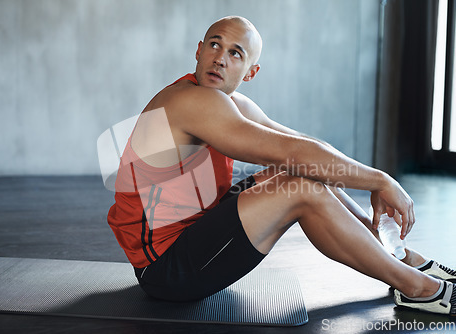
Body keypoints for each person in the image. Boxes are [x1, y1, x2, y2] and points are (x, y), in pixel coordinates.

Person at [107, 16, 456, 315]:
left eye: (235, 53)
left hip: (194, 237)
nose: (220, 59)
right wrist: (380, 181)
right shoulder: (189, 100)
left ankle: (399, 257)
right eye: (214, 45)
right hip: (166, 270)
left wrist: (377, 181)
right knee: (301, 188)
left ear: (250, 71)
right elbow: (292, 153)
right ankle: (420, 290)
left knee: (303, 171)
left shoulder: (231, 102)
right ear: (198, 51)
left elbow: (305, 148)